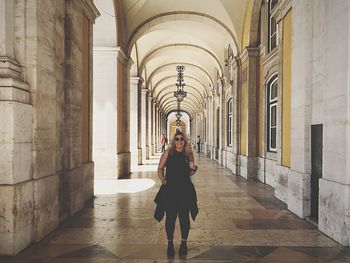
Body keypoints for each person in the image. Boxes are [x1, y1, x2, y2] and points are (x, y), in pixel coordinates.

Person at [154, 130, 198, 257]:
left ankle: (184, 243)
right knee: (170, 218)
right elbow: (160, 168)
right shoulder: (168, 153)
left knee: (184, 218)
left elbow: (190, 171)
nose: (179, 141)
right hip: (170, 190)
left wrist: (193, 170)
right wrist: (162, 180)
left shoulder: (188, 154)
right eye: (177, 139)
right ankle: (170, 244)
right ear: (174, 141)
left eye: (181, 139)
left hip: (185, 189)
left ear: (185, 141)